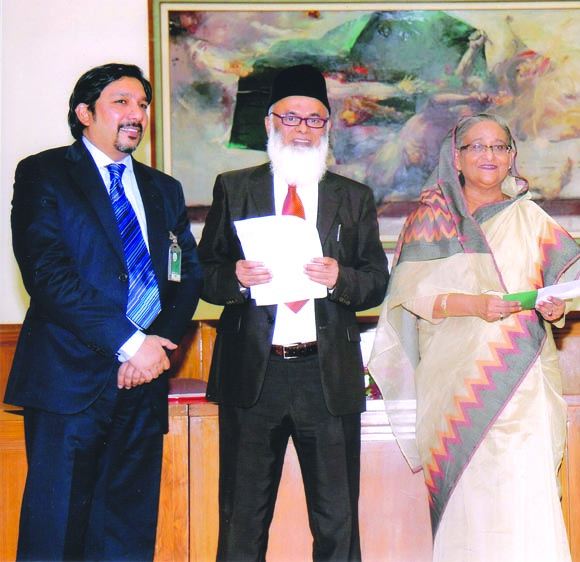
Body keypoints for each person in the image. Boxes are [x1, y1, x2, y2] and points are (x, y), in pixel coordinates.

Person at [368, 113, 580, 562]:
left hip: (523, 383)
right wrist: (476, 304)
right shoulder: (430, 220)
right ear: (457, 156)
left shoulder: (531, 217)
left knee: (525, 493)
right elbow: (411, 298)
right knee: (469, 499)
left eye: (499, 147)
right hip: (455, 386)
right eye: (477, 146)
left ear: (512, 157)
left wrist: (555, 305)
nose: (489, 155)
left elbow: (568, 281)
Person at [6, 62, 202, 560]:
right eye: (121, 102)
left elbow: (187, 277)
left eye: (141, 105)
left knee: (126, 534)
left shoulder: (164, 189)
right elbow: (48, 276)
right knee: (58, 534)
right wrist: (130, 343)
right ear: (84, 113)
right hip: (70, 384)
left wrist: (153, 351)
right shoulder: (43, 173)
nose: (135, 114)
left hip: (144, 385)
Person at [197, 64, 389, 561]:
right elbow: (204, 273)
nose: (303, 130)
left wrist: (340, 279)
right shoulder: (234, 188)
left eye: (314, 120)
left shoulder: (353, 196)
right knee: (242, 515)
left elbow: (376, 280)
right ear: (269, 123)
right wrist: (235, 277)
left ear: (328, 128)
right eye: (292, 118)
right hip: (252, 374)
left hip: (325, 376)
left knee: (336, 518)